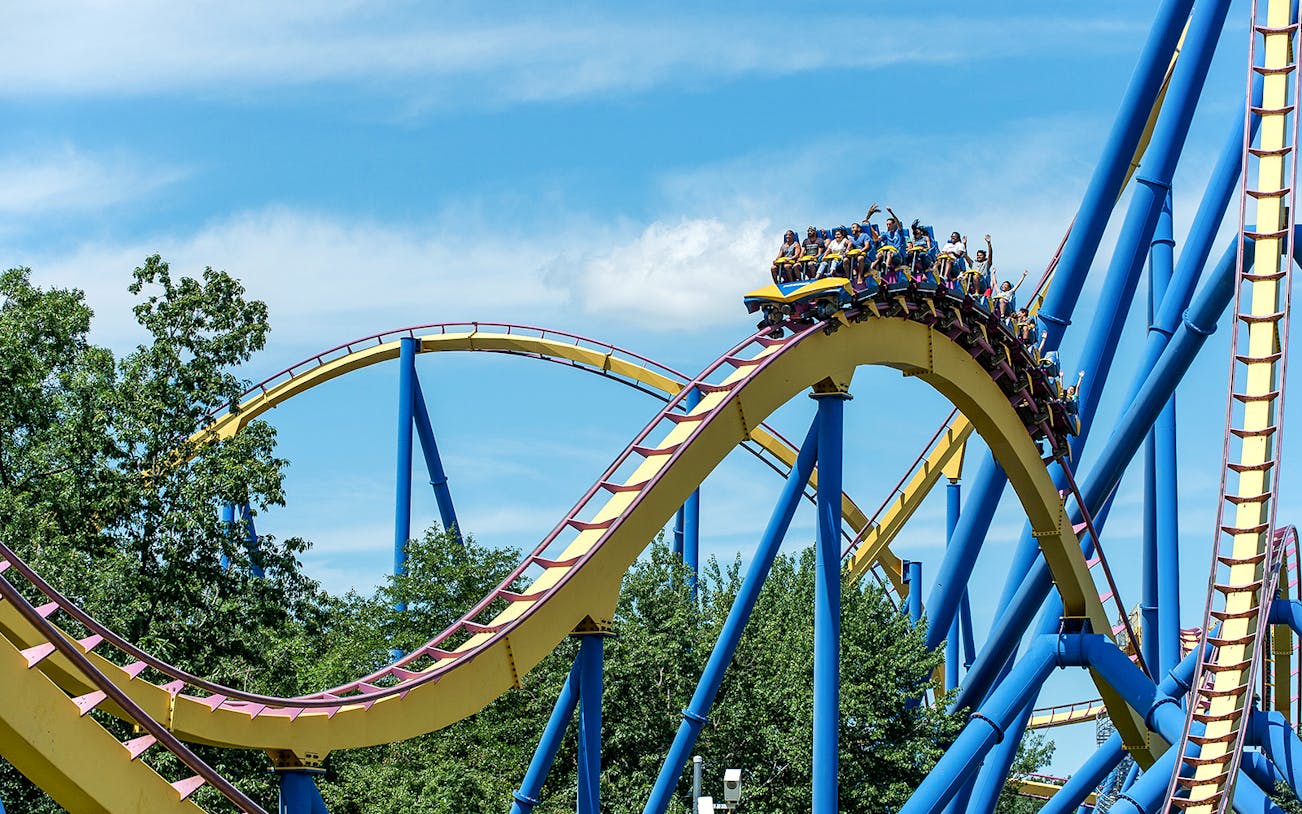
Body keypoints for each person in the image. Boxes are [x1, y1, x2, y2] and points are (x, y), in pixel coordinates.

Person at [869, 205, 908, 284]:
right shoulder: (886, 234)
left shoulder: (899, 232)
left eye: (890, 224)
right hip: (886, 254)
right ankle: (871, 270)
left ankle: (885, 269)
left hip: (897, 255)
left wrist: (891, 212)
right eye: (887, 224)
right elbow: (877, 238)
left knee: (889, 252)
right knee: (879, 255)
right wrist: (869, 225)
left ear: (894, 224)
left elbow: (898, 222)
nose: (888, 226)